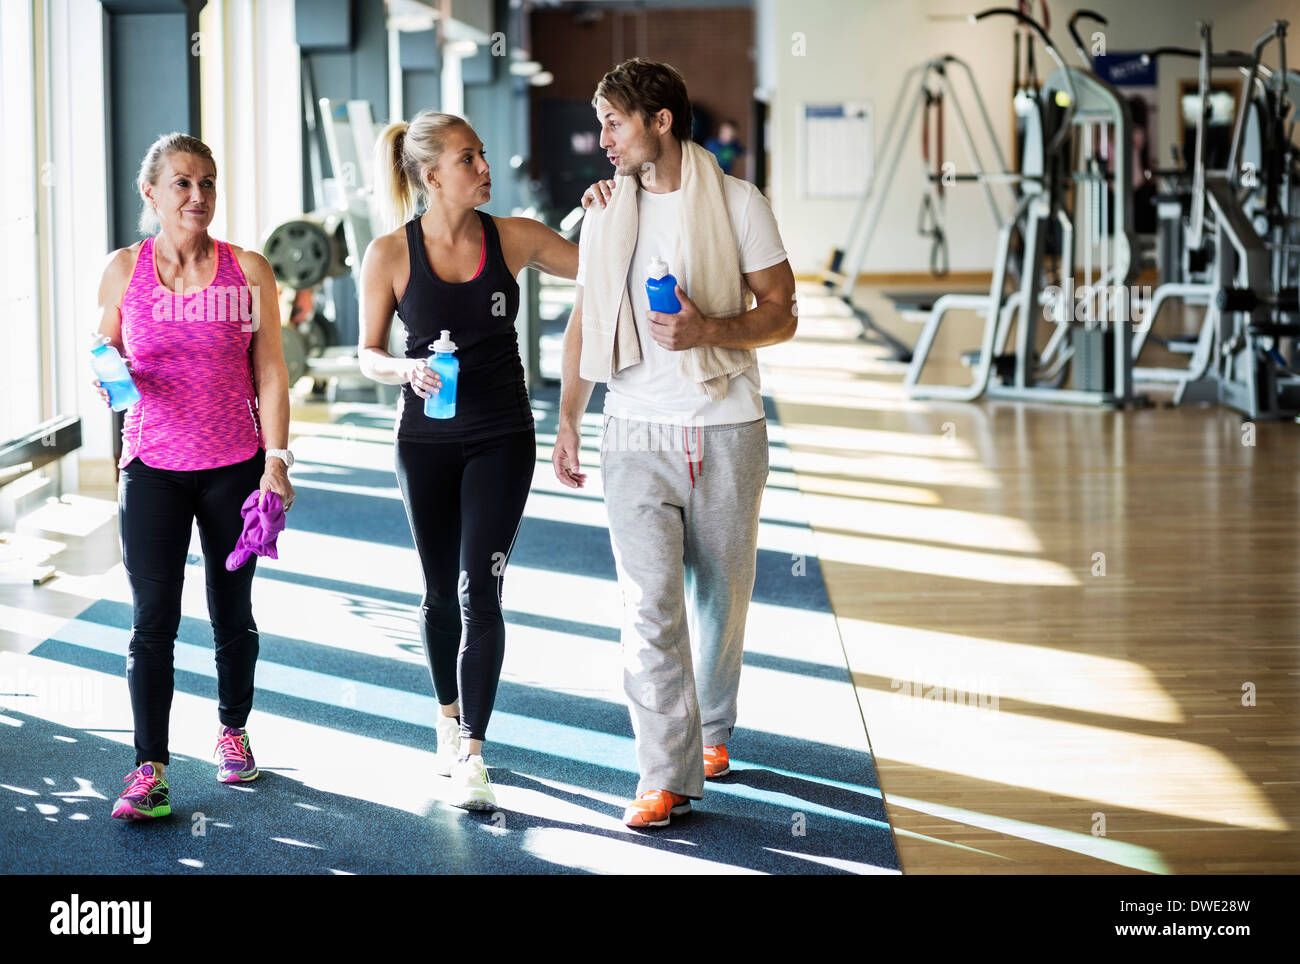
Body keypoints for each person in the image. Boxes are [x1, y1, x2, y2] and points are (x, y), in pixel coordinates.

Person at [554, 59, 796, 828]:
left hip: (726, 424)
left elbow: (784, 312)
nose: (603, 141)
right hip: (633, 429)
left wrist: (709, 332)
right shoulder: (604, 212)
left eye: (614, 123)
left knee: (720, 600)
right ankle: (663, 773)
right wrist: (567, 418)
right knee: (648, 609)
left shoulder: (738, 204)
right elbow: (587, 320)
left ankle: (713, 729)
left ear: (660, 120)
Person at [360, 111, 578, 811]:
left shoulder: (510, 236)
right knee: (435, 592)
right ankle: (448, 718)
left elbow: (597, 265)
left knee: (478, 590)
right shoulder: (389, 254)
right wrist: (404, 370)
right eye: (468, 158)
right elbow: (367, 353)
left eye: (482, 154)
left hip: (502, 435)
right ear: (431, 177)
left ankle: (474, 753)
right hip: (422, 442)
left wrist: (613, 203)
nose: (485, 167)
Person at [94, 133, 295, 821]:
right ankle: (148, 768)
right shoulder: (124, 270)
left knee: (230, 611)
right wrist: (104, 374)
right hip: (151, 467)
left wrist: (277, 460)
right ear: (151, 193)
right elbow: (104, 350)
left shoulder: (250, 270)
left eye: (207, 182)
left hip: (234, 465)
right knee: (152, 620)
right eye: (182, 183)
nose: (198, 196)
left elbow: (270, 368)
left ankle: (232, 730)